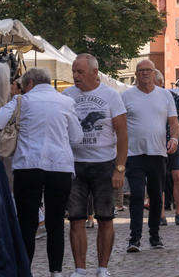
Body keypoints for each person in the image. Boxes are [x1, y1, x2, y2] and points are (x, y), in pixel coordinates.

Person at [0, 67, 82, 277]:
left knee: (26, 223)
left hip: (28, 165)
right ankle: (56, 271)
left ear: (29, 84)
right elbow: (77, 137)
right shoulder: (66, 102)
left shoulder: (22, 101)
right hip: (59, 167)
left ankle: (24, 270)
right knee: (56, 222)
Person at [62, 53, 128, 277]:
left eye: (80, 71)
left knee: (105, 218)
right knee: (76, 219)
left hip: (104, 164)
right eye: (73, 71)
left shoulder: (111, 96)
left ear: (94, 72)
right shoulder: (67, 95)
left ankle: (103, 268)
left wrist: (120, 168)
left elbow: (122, 132)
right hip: (75, 165)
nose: (75, 76)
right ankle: (80, 269)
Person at [122, 59, 179, 253]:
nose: (145, 73)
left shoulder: (165, 95)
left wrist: (175, 140)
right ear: (136, 74)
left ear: (154, 73)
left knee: (156, 196)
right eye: (141, 70)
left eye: (148, 70)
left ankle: (154, 235)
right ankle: (134, 238)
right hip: (134, 153)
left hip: (158, 153)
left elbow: (174, 123)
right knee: (137, 194)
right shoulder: (126, 96)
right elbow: (119, 126)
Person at [153, 69, 179, 226]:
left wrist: (178, 139)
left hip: (173, 142)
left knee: (178, 176)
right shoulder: (148, 100)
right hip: (156, 145)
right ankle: (160, 214)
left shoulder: (174, 98)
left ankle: (178, 212)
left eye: (153, 82)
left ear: (160, 82)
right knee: (158, 179)